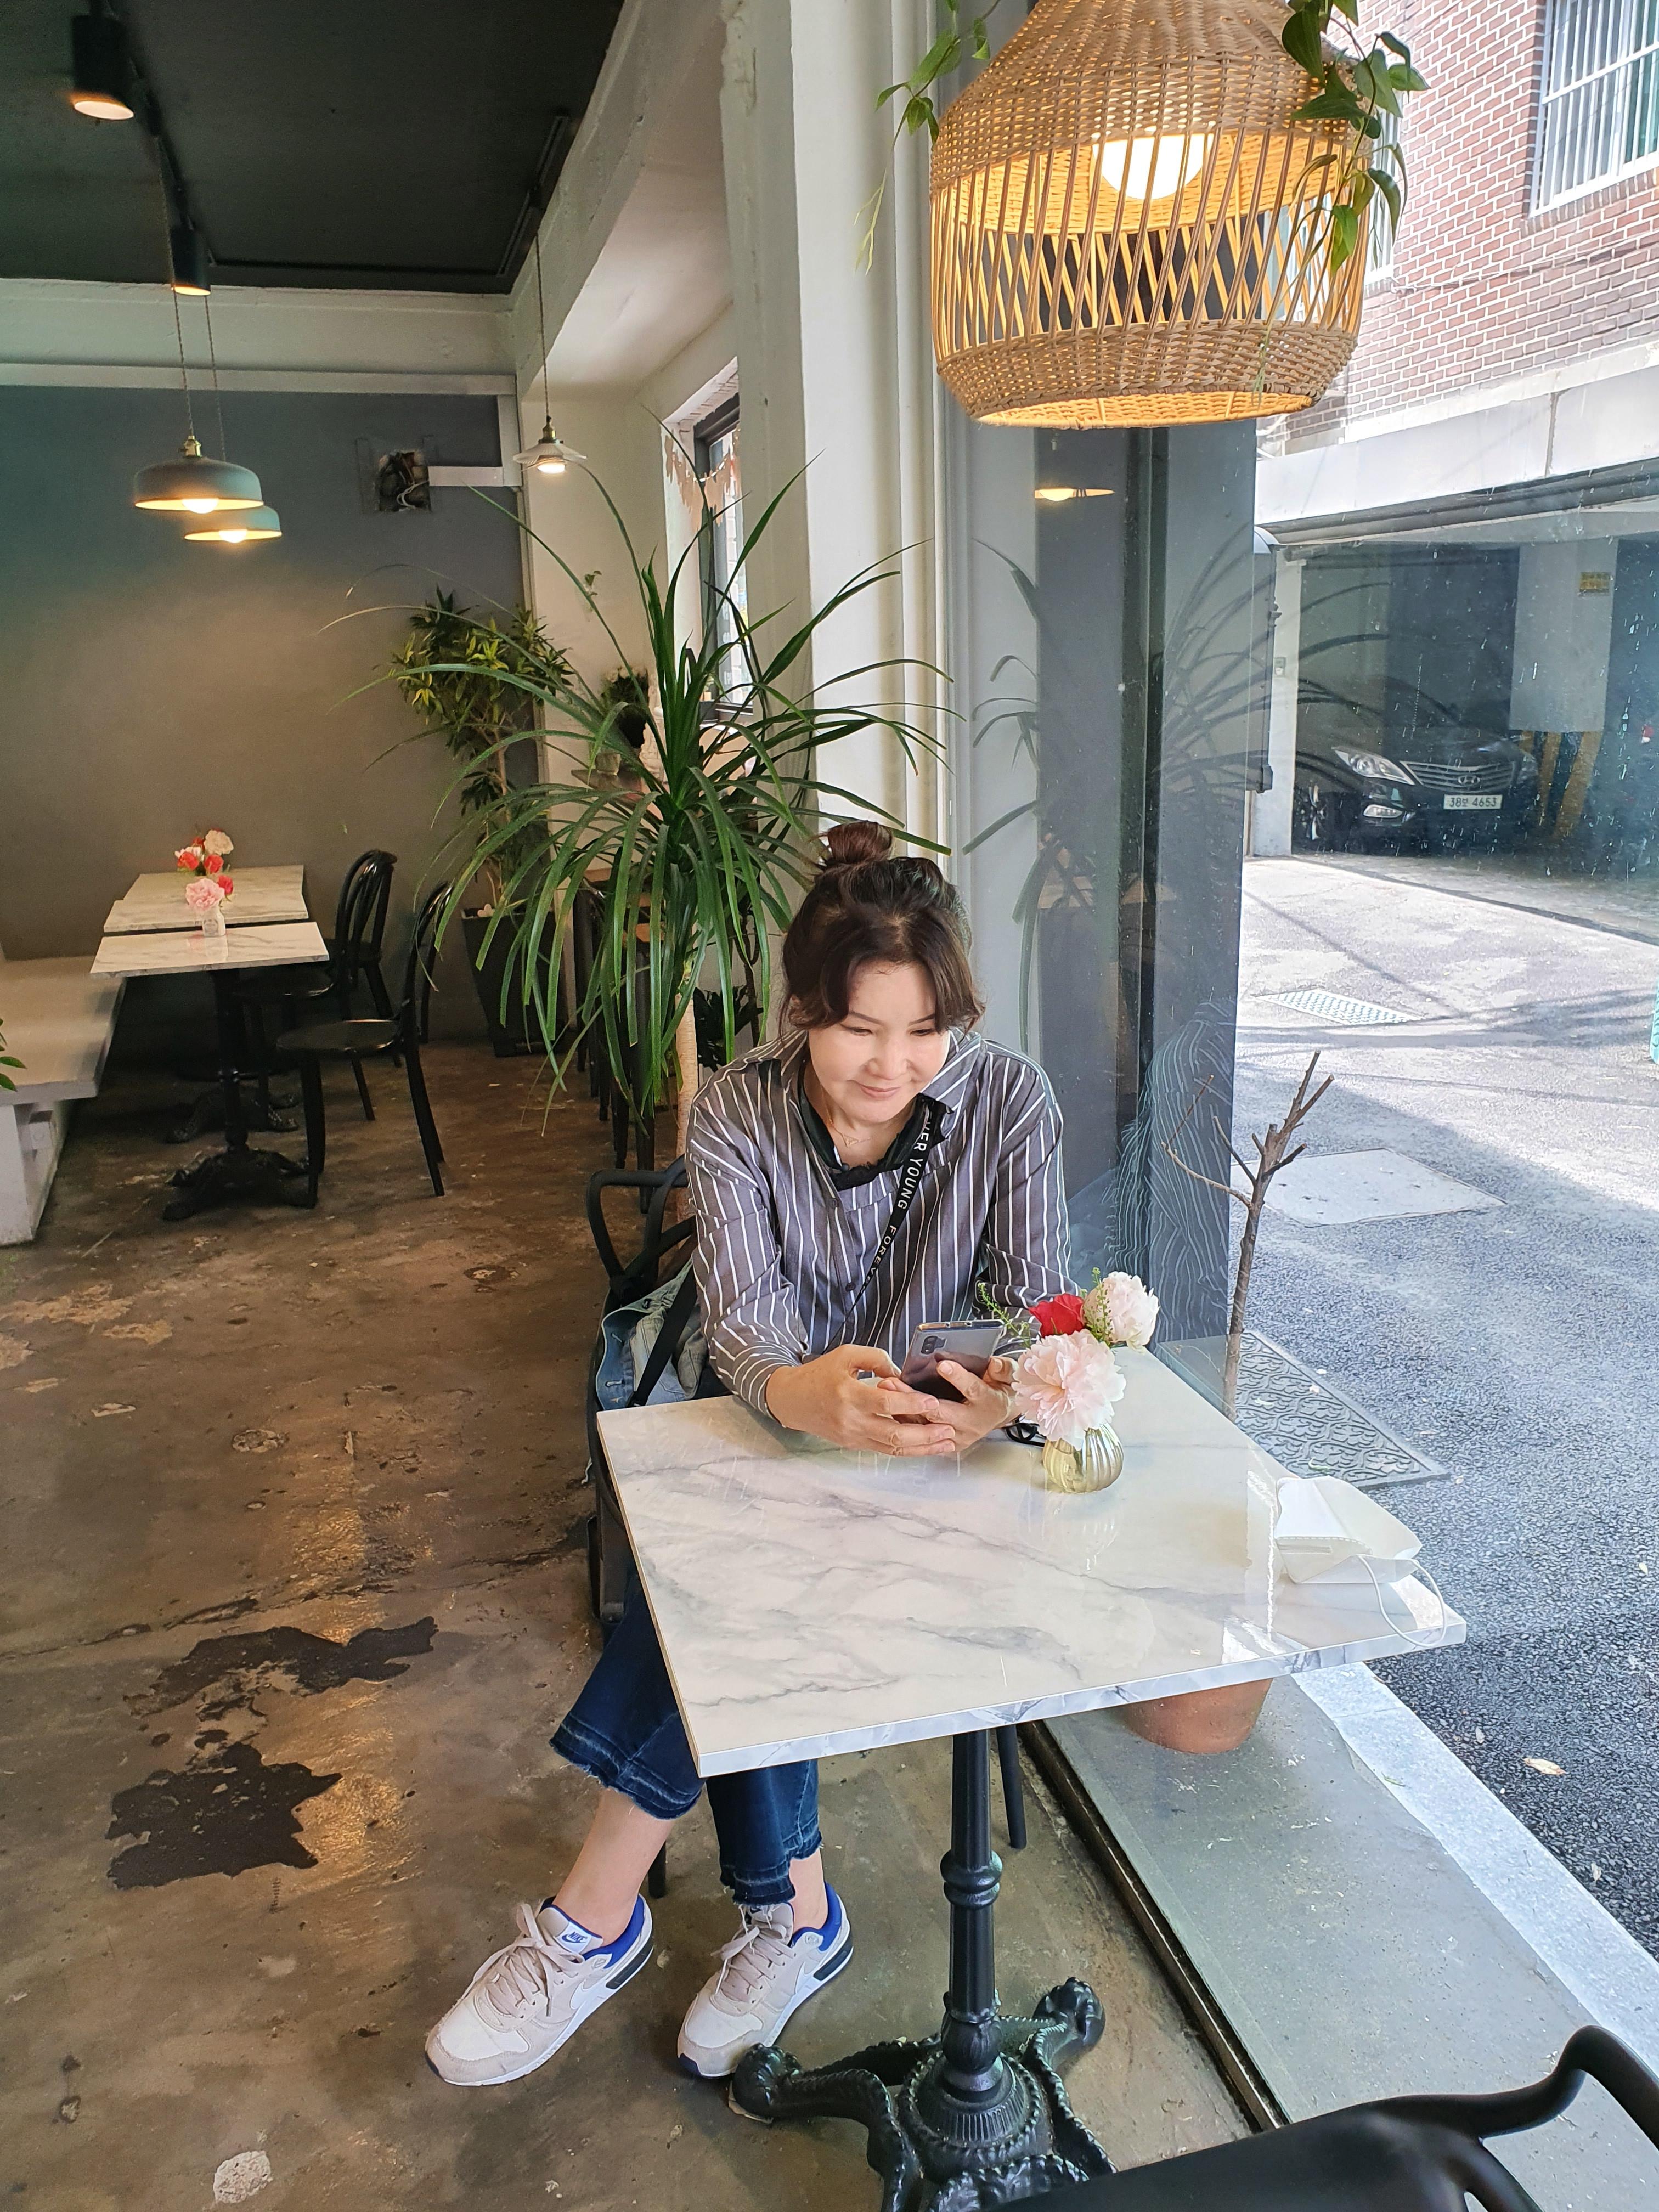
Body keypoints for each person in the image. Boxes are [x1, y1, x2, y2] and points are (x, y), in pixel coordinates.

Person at [426, 820, 1071, 2089]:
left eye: (925, 1029)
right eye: (859, 1028)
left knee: (712, 1595)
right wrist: (799, 1395)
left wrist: (994, 1399)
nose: (893, 1064)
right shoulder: (736, 1104)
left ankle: (608, 1923)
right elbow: (744, 1327)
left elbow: (1037, 1306)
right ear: (802, 1009)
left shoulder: (1008, 1102)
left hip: (945, 1469)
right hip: (774, 1435)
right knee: (735, 1581)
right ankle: (782, 1914)